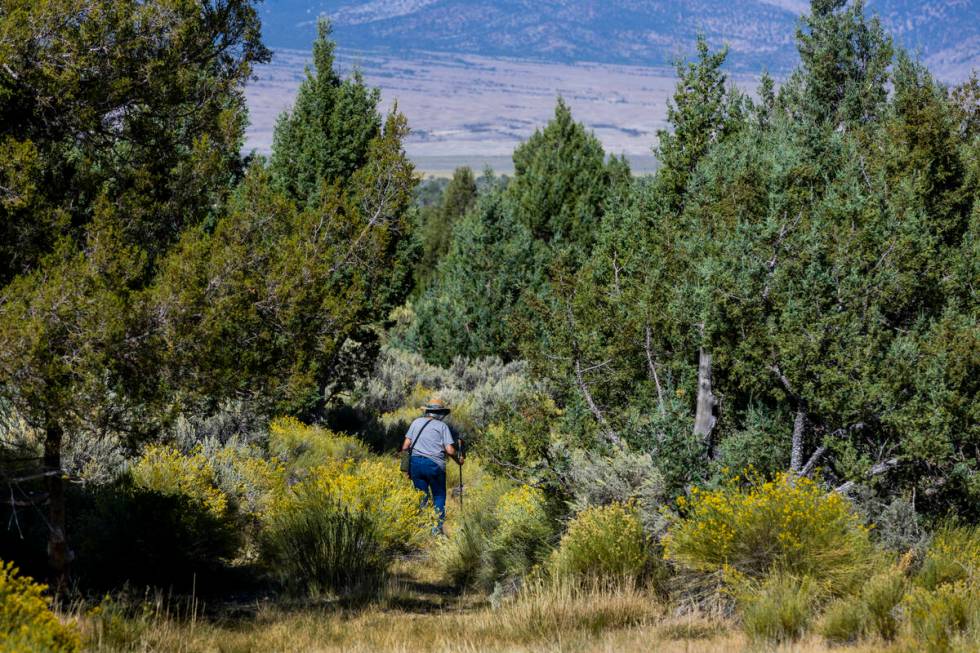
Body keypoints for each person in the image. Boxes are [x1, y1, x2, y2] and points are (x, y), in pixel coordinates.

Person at [401, 396, 462, 533]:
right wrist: (459, 460)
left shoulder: (416, 422)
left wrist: (406, 468)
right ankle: (436, 530)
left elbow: (405, 446)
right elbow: (450, 450)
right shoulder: (442, 426)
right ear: (440, 414)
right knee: (439, 496)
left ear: (427, 411)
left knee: (421, 496)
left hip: (415, 464)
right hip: (434, 465)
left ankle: (422, 528)